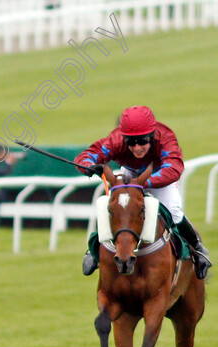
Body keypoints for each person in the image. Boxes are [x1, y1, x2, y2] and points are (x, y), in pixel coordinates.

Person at [76, 105, 211, 279]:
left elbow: (174, 168)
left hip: (160, 174)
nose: (137, 147)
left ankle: (198, 250)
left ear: (152, 135)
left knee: (173, 210)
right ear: (123, 138)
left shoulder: (166, 138)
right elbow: (90, 155)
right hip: (130, 173)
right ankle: (94, 250)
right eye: (131, 142)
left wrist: (144, 182)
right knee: (116, 207)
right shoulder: (116, 140)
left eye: (142, 140)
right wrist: (88, 166)